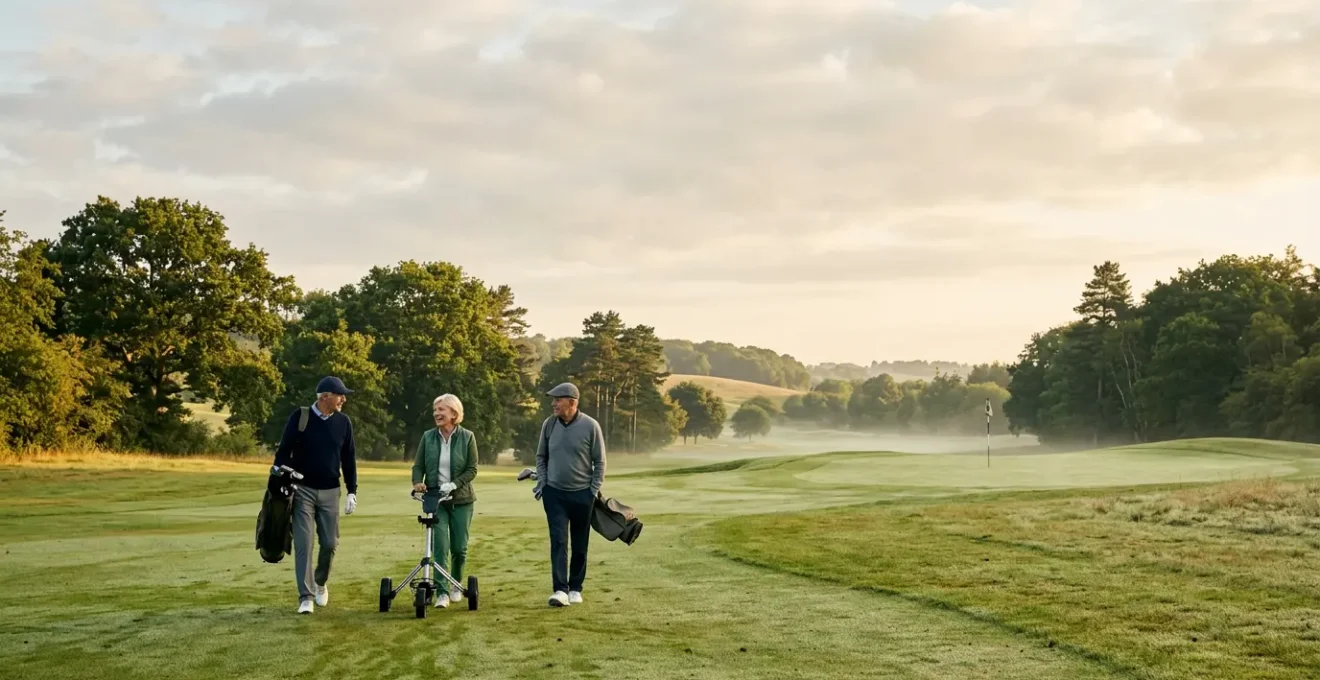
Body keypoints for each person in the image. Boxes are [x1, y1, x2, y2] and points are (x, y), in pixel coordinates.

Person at [270, 376, 359, 614]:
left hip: (331, 490)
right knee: (304, 543)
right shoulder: (300, 417)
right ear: (324, 397)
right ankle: (306, 596)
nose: (344, 399)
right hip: (302, 491)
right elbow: (283, 452)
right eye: (340, 395)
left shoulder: (343, 422)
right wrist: (281, 474)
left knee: (329, 543)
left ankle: (320, 582)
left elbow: (348, 458)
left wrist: (352, 490)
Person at [533, 382, 606, 607]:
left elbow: (599, 462)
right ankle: (560, 590)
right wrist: (544, 484)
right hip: (554, 494)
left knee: (580, 543)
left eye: (558, 400)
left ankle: (575, 587)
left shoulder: (591, 426)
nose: (553, 404)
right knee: (559, 541)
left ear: (572, 403)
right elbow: (541, 457)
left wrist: (592, 491)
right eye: (553, 400)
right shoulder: (549, 424)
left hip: (582, 494)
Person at [411, 393, 479, 609]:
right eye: (435, 410)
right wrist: (417, 482)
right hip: (436, 500)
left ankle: (455, 584)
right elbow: (418, 465)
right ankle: (442, 592)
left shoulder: (467, 437)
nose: (437, 414)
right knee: (440, 546)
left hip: (461, 499)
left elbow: (472, 469)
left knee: (459, 548)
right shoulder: (428, 437)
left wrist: (455, 483)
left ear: (454, 413)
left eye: (441, 410)